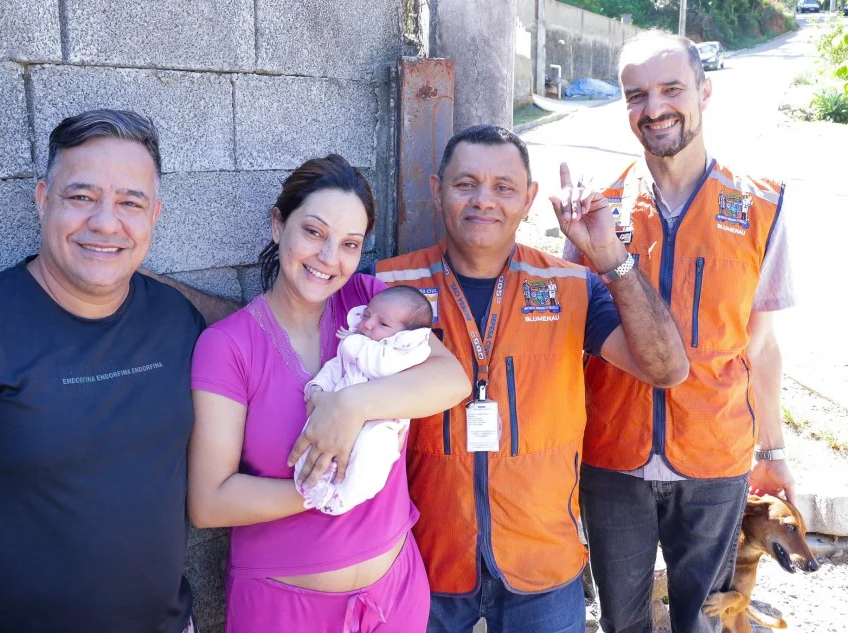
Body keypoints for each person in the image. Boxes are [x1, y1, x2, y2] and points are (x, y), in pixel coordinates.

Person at [0, 109, 239, 632]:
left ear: (155, 214)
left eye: (131, 203)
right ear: (42, 199)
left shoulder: (176, 320)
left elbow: (257, 350)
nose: (106, 221)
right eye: (81, 197)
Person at [373, 124, 690, 633]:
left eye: (504, 187)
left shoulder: (571, 286)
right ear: (437, 190)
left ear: (529, 198)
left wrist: (610, 257)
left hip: (541, 566)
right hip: (421, 560)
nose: (484, 201)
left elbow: (667, 368)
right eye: (465, 184)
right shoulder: (387, 286)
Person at [563, 30, 796, 633]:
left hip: (715, 458)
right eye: (637, 94)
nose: (655, 107)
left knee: (703, 621)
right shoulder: (597, 208)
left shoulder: (760, 205)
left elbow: (762, 347)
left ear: (705, 91)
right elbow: (565, 343)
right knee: (622, 621)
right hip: (613, 457)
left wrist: (772, 453)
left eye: (671, 89)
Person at [186, 154, 470, 633]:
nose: (328, 258)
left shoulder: (367, 304)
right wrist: (327, 490)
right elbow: (210, 502)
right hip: (283, 610)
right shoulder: (229, 347)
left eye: (349, 243)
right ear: (279, 225)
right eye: (314, 232)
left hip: (396, 594)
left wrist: (350, 406)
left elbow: (453, 381)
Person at [296, 285, 435, 514]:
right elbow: (335, 367)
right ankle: (313, 483)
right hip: (339, 413)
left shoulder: (405, 352)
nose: (368, 324)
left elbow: (382, 366)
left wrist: (353, 343)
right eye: (367, 315)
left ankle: (345, 497)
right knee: (313, 432)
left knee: (369, 454)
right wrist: (318, 388)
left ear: (404, 335)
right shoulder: (357, 343)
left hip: (381, 422)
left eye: (383, 324)